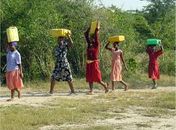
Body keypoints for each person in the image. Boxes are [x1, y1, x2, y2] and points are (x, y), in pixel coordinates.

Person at [84, 22, 108, 94]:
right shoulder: (89, 44)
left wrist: (96, 30)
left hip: (94, 63)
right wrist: (90, 27)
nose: (91, 39)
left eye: (93, 38)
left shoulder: (96, 45)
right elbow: (85, 34)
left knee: (97, 77)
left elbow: (96, 36)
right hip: (88, 62)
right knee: (89, 78)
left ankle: (105, 86)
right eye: (91, 38)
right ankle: (91, 90)